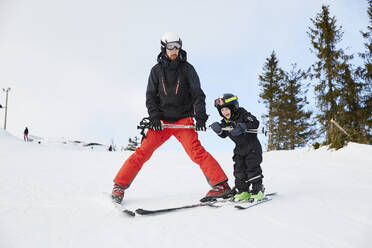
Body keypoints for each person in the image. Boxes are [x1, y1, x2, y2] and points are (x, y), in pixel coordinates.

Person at [111, 32, 231, 204]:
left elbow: (198, 94)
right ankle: (119, 186)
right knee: (143, 152)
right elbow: (150, 96)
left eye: (177, 46)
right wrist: (154, 118)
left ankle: (221, 185)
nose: (174, 50)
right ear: (164, 48)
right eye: (170, 47)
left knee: (196, 151)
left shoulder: (188, 69)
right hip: (162, 122)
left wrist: (201, 118)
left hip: (184, 120)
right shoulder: (156, 71)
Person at [210, 93, 265, 201]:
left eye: (226, 109)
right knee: (239, 170)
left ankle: (258, 190)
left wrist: (243, 126)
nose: (224, 112)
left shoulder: (243, 114)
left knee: (252, 168)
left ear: (233, 107)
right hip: (239, 150)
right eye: (222, 110)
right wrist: (218, 130)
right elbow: (223, 134)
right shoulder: (225, 122)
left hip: (252, 148)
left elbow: (255, 123)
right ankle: (243, 191)